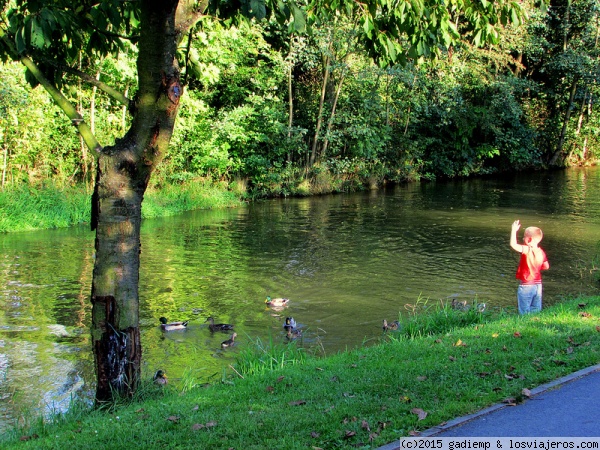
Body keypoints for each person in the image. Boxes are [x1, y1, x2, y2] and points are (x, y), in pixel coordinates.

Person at [510, 220, 550, 314]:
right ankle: (534, 324)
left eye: (524, 237)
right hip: (538, 285)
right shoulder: (541, 252)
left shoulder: (527, 249)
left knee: (524, 311)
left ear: (529, 240)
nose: (523, 238)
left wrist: (513, 230)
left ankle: (523, 326)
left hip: (526, 285)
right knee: (535, 310)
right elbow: (546, 266)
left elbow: (513, 245)